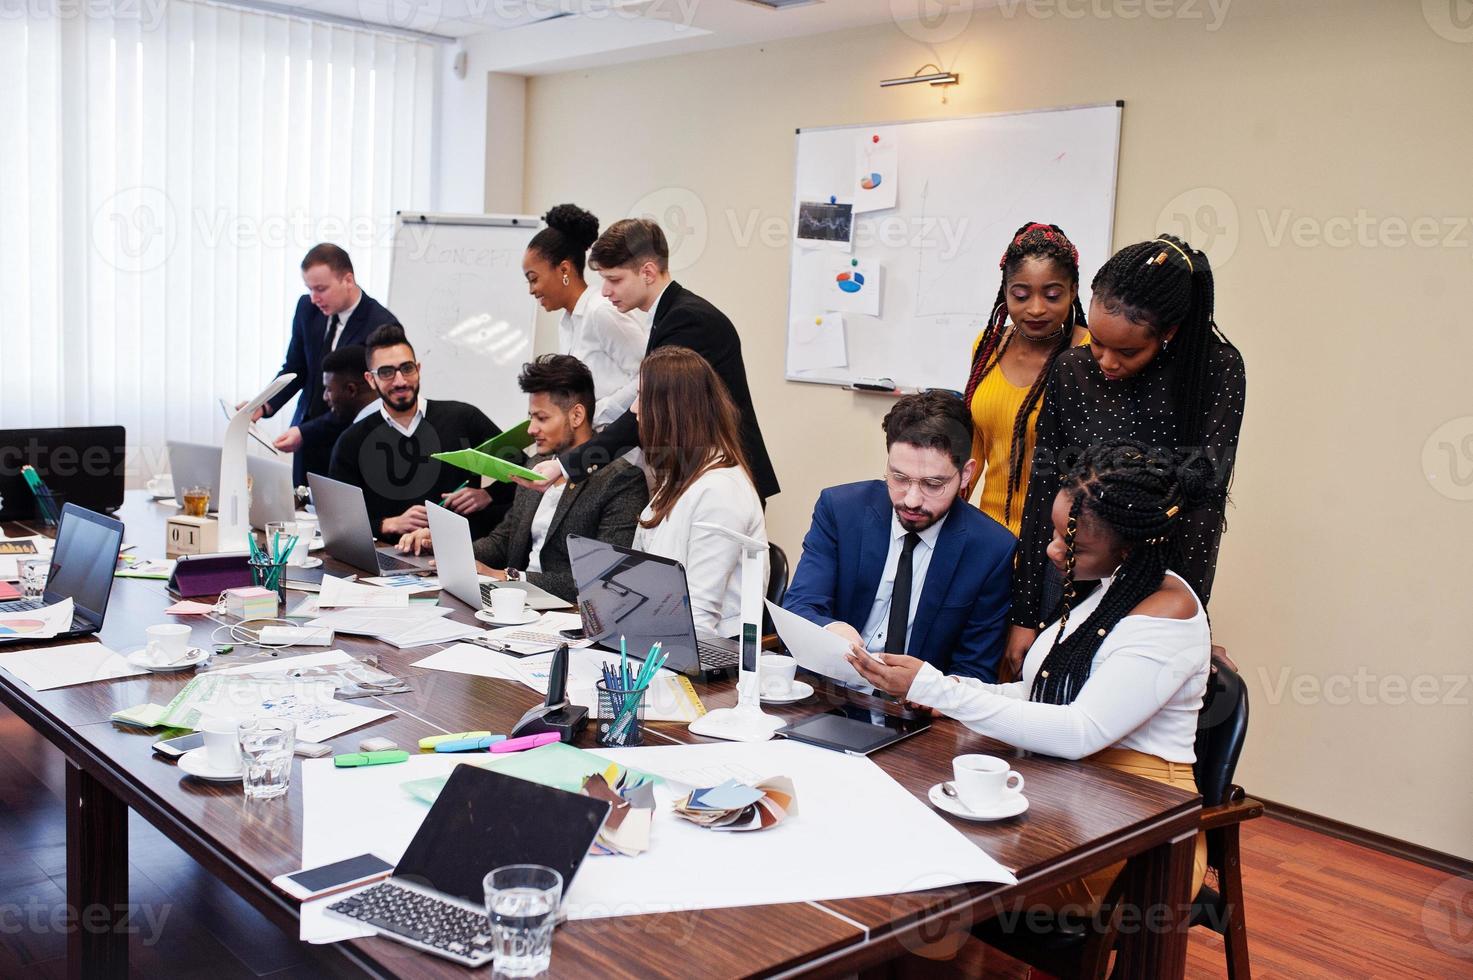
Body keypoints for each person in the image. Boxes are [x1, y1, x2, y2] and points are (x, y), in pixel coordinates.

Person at [847, 439, 1214, 910]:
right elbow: (1038, 692)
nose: (1053, 550)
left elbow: (1080, 730)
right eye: (1057, 533)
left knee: (936, 864)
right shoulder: (1110, 589)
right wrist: (953, 687)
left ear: (1132, 547)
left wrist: (937, 689)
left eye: (1072, 543)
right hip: (1068, 789)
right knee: (905, 823)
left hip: (1139, 830)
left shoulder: (1166, 617)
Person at [1003, 234, 1246, 676]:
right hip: (1065, 576)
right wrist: (1024, 613)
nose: (1106, 361)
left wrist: (1188, 616)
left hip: (1153, 586)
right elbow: (1042, 492)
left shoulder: (1214, 371)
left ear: (1169, 333)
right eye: (1096, 341)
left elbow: (1202, 510)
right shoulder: (1071, 370)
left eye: (1127, 350)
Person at [514, 218, 780, 502]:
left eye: (614, 279)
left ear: (648, 272)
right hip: (698, 475)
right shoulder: (668, 317)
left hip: (721, 479)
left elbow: (644, 412)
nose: (604, 291)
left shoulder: (689, 321)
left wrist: (567, 464)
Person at [782, 391, 1015, 681]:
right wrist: (832, 631)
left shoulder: (992, 549)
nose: (912, 500)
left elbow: (975, 670)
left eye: (933, 484)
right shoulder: (841, 511)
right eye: (899, 478)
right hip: (832, 695)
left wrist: (931, 690)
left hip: (918, 714)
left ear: (966, 474)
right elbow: (800, 607)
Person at [396, 355, 648, 602]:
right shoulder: (536, 465)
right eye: (531, 417)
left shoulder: (621, 480)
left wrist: (506, 577)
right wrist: (444, 548)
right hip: (514, 604)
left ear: (577, 416)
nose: (530, 430)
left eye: (542, 418)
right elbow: (504, 541)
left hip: (565, 617)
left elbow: (601, 579)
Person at [962, 222, 1090, 536]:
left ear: (1072, 291)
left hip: (1057, 541)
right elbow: (973, 445)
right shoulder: (987, 345)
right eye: (1021, 295)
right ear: (1005, 293)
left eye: (1051, 295)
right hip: (988, 534)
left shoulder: (1092, 355)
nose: (1035, 309)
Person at [630, 346, 766, 637]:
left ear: (670, 409)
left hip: (705, 657)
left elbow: (698, 621)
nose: (633, 409)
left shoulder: (720, 492)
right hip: (657, 635)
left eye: (641, 397)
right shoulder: (683, 473)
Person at [329, 323, 511, 542]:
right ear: (370, 379)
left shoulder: (464, 419)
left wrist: (489, 495)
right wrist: (389, 524)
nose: (400, 381)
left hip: (459, 553)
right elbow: (339, 522)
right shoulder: (352, 441)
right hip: (386, 560)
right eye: (387, 372)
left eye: (407, 369)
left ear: (418, 368)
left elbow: (526, 474)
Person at [253, 244, 397, 485]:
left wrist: (305, 433)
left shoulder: (381, 326)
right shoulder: (307, 309)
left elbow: (364, 401)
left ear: (348, 280)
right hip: (306, 440)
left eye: (321, 289)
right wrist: (263, 405)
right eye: (309, 289)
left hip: (351, 445)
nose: (314, 298)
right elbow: (296, 368)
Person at [524, 204, 647, 426]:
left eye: (534, 279)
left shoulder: (601, 311)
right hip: (593, 445)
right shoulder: (567, 323)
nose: (531, 290)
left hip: (626, 450)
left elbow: (649, 375)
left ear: (564, 270)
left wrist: (596, 412)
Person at [293, 345, 379, 482]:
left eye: (329, 389)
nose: (325, 397)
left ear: (351, 390)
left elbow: (339, 501)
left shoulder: (350, 442)